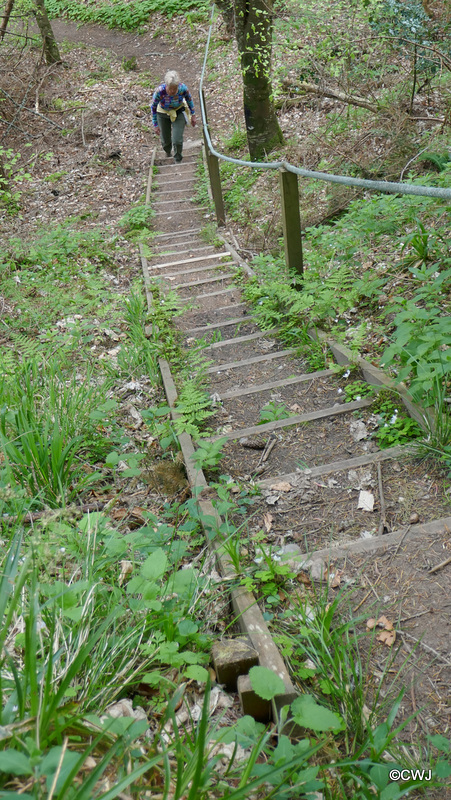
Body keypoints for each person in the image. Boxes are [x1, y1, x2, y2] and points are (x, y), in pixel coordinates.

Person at [151, 70, 196, 163]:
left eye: (174, 89)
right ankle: (167, 151)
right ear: (166, 85)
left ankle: (178, 159)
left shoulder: (183, 88)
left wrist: (193, 115)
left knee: (177, 140)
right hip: (162, 113)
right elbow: (153, 107)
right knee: (165, 139)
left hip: (178, 111)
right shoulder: (160, 91)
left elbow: (189, 100)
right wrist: (155, 124)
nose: (172, 91)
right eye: (170, 88)